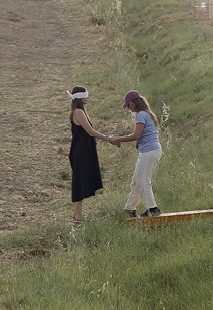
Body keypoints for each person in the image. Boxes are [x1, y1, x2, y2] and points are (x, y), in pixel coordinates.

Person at [67, 86, 117, 223]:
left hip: (82, 150)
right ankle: (76, 216)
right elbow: (91, 132)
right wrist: (109, 138)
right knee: (79, 183)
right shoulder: (78, 112)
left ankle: (77, 215)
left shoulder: (77, 111)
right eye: (86, 95)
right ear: (79, 97)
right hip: (81, 152)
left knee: (81, 181)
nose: (88, 97)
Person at [111, 90, 162, 218]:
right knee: (136, 181)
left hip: (149, 151)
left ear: (133, 103)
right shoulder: (146, 114)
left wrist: (118, 139)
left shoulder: (141, 114)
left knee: (143, 180)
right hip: (149, 151)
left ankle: (152, 209)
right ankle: (129, 209)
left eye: (128, 105)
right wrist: (118, 138)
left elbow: (136, 135)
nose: (128, 108)